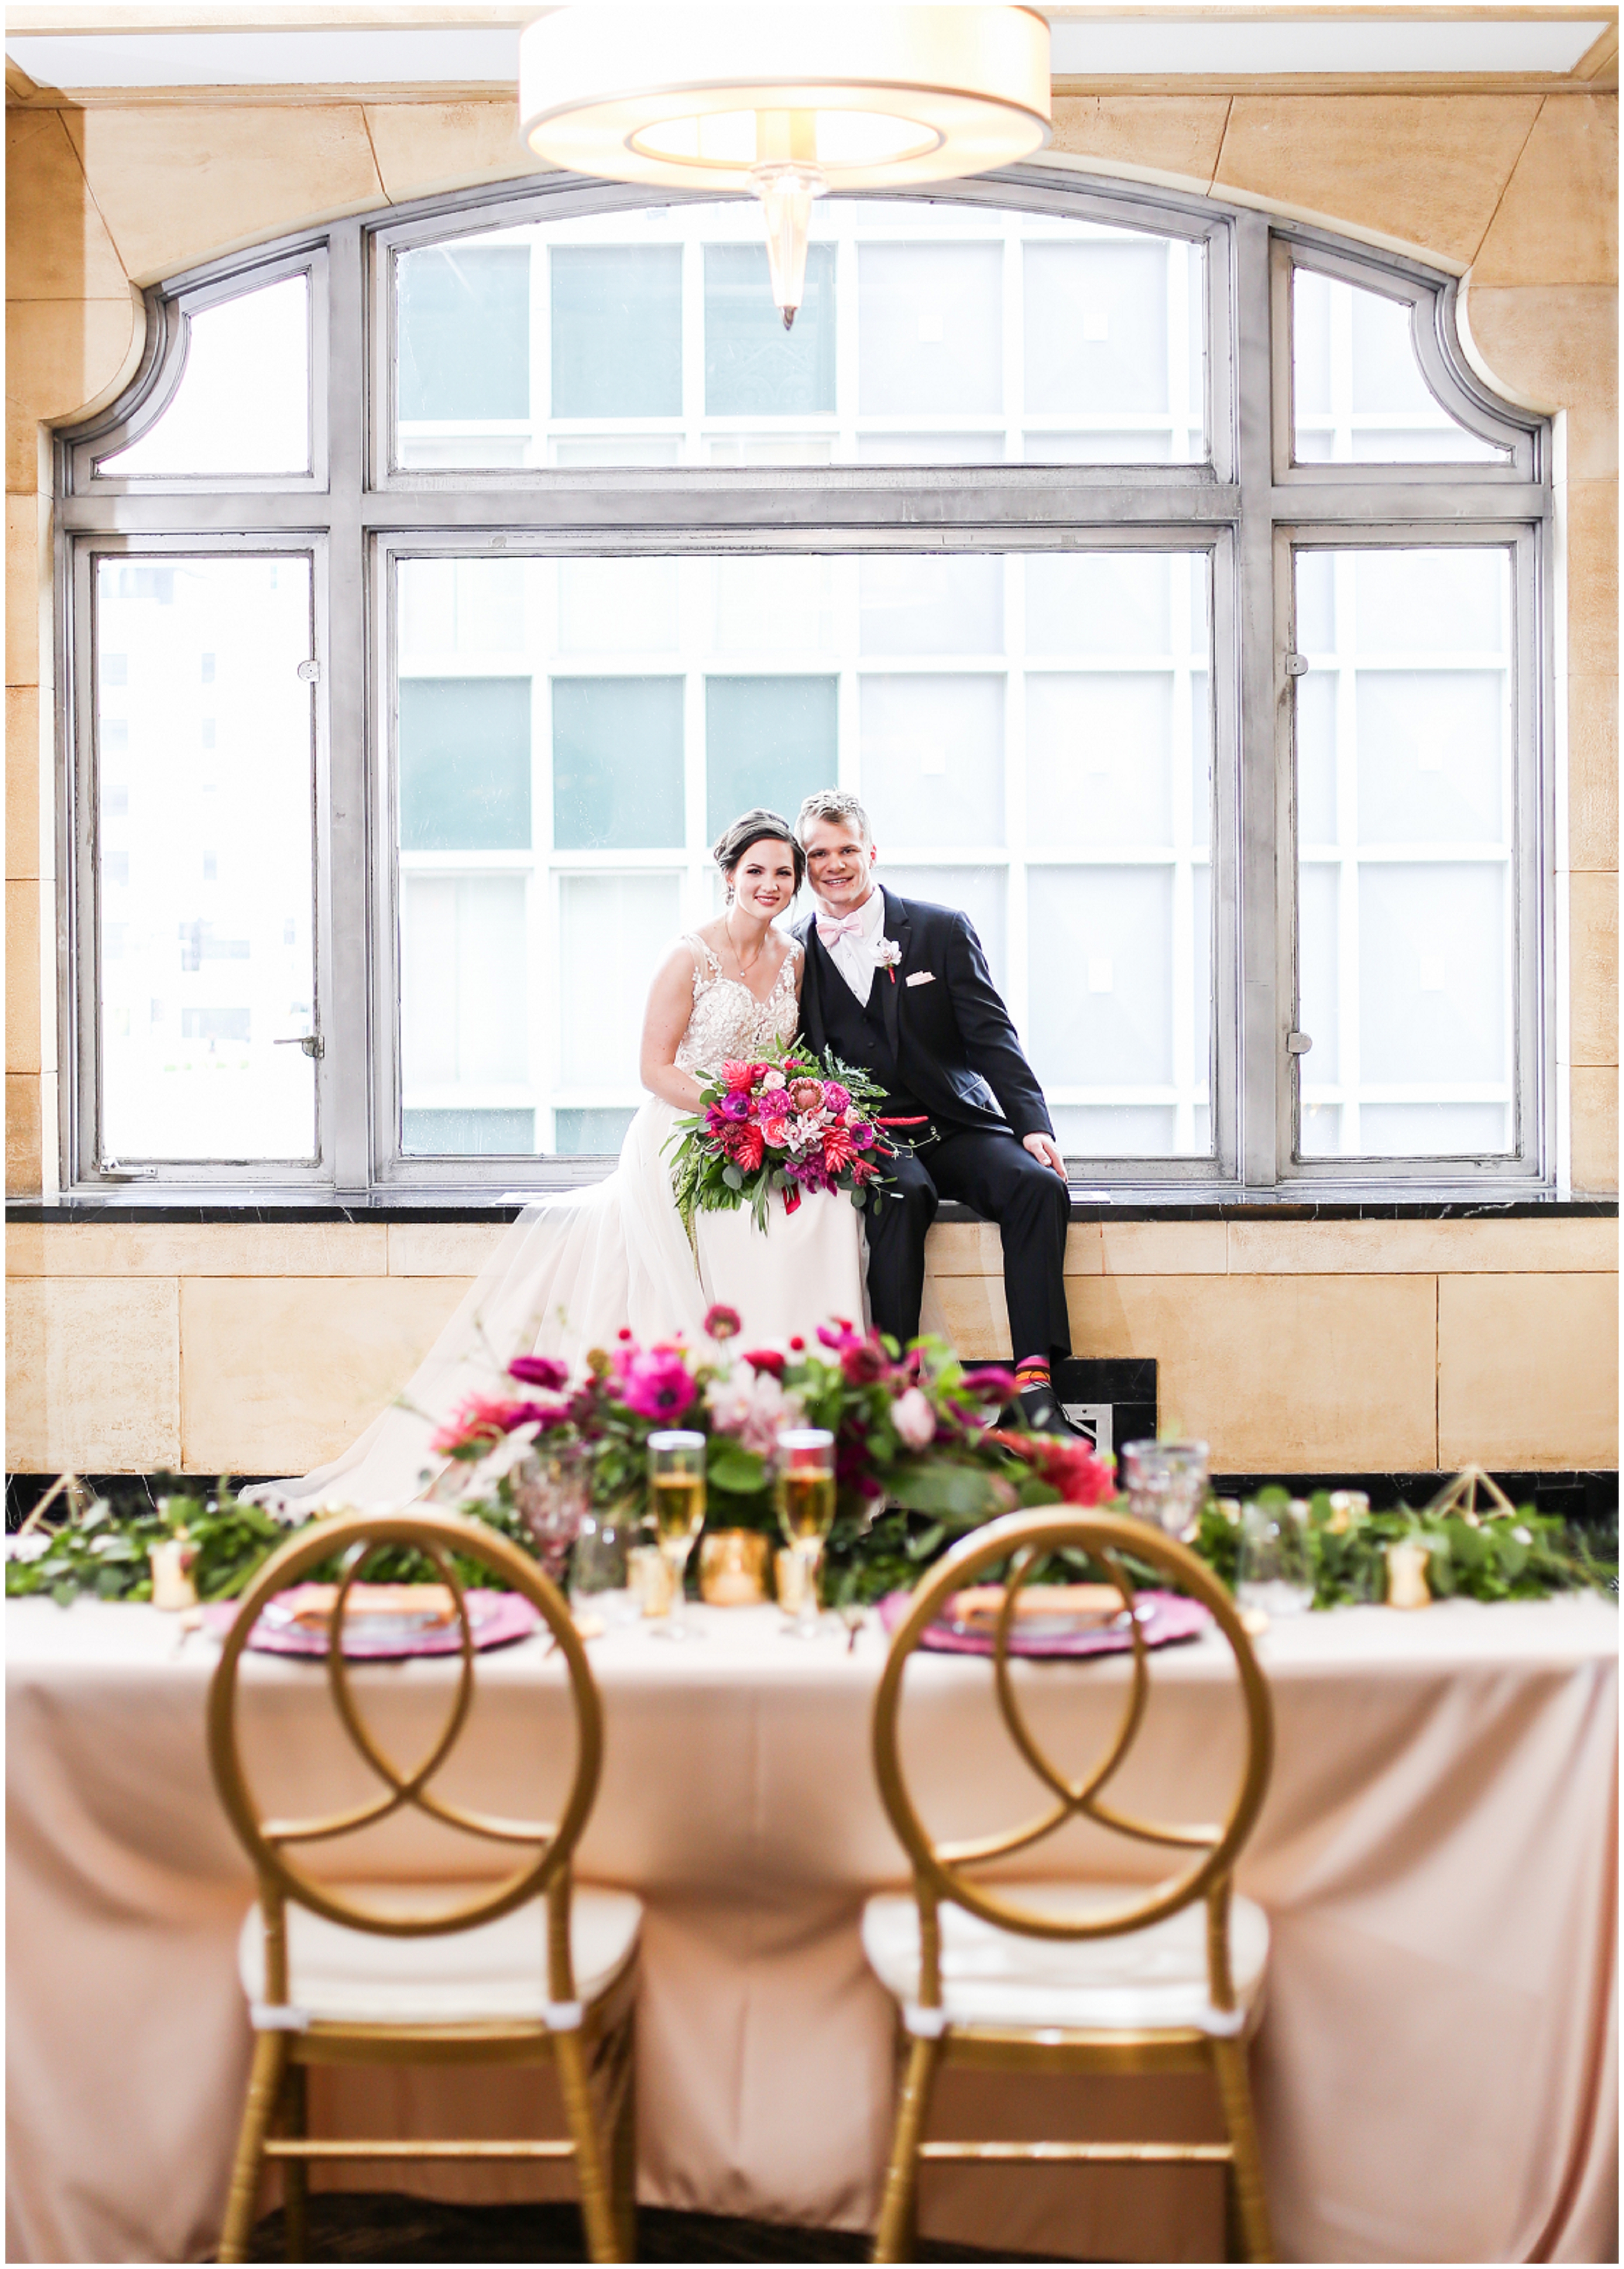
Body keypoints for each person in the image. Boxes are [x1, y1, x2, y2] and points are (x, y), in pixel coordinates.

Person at [256, 810, 866, 1511]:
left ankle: (791, 1421)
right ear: (728, 875)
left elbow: (790, 1059)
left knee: (813, 1215)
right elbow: (653, 1067)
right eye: (754, 870)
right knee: (732, 1228)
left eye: (782, 872)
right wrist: (733, 1111)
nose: (769, 883)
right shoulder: (687, 956)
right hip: (684, 1128)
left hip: (757, 1132)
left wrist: (786, 1113)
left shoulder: (795, 956)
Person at [793, 789, 1082, 1440]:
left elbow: (992, 1038)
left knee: (1037, 1188)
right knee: (904, 1194)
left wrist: (1033, 1124)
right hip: (869, 1137)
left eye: (845, 850)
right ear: (806, 864)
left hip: (955, 1124)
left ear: (872, 851)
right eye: (818, 854)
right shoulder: (793, 952)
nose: (834, 865)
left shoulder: (941, 929)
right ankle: (895, 1387)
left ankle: (1035, 1386)